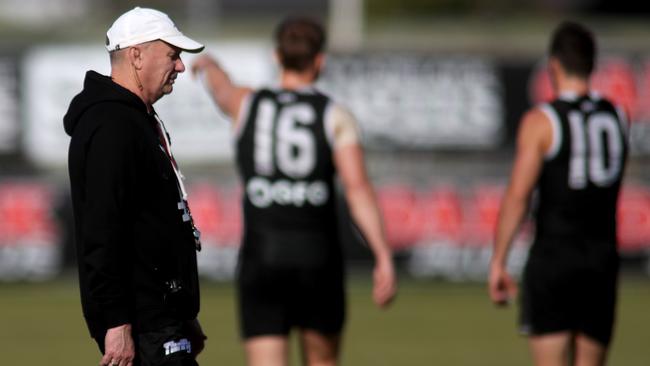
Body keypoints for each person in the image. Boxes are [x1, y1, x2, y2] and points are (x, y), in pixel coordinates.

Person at [191, 17, 397, 366]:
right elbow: (358, 190)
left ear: (276, 56)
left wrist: (210, 65)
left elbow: (221, 88)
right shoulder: (335, 115)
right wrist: (383, 255)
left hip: (262, 259)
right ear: (321, 60)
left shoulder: (246, 104)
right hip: (317, 258)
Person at [64, 7, 208, 366]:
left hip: (161, 317)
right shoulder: (112, 125)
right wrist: (116, 321)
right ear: (136, 54)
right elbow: (102, 228)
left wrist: (182, 310)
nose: (181, 67)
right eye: (173, 56)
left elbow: (153, 223)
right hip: (143, 323)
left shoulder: (133, 117)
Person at [488, 21, 628, 366]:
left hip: (555, 257)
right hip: (602, 258)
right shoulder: (619, 115)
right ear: (592, 65)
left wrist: (499, 260)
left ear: (553, 65)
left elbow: (518, 196)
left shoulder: (543, 120)